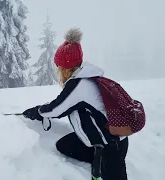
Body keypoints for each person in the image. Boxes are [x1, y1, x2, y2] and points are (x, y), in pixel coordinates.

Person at [22, 28, 130, 180]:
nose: (58, 70)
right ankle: (95, 154)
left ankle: (99, 162)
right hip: (114, 141)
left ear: (65, 68)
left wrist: (37, 112)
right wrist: (41, 110)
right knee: (63, 145)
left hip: (110, 148)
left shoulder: (78, 85)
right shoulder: (88, 78)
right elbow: (64, 104)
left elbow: (56, 109)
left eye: (59, 67)